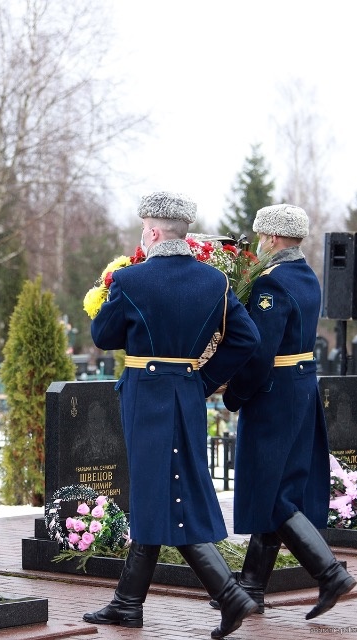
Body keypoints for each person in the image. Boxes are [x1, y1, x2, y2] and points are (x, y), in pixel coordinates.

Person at [84, 191, 261, 638]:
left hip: (146, 395)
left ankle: (230, 595)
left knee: (162, 495)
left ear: (155, 231)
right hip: (185, 391)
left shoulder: (132, 280)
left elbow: (103, 336)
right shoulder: (213, 282)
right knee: (157, 493)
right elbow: (246, 339)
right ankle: (128, 604)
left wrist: (110, 290)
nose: (143, 233)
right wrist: (202, 379)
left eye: (145, 226)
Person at [221, 204, 356, 619]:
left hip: (273, 394)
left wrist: (234, 393)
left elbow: (260, 352)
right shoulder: (308, 277)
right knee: (279, 486)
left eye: (261, 237)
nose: (259, 245)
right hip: (300, 389)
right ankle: (251, 588)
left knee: (272, 491)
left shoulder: (272, 283)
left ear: (274, 239)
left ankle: (329, 572)